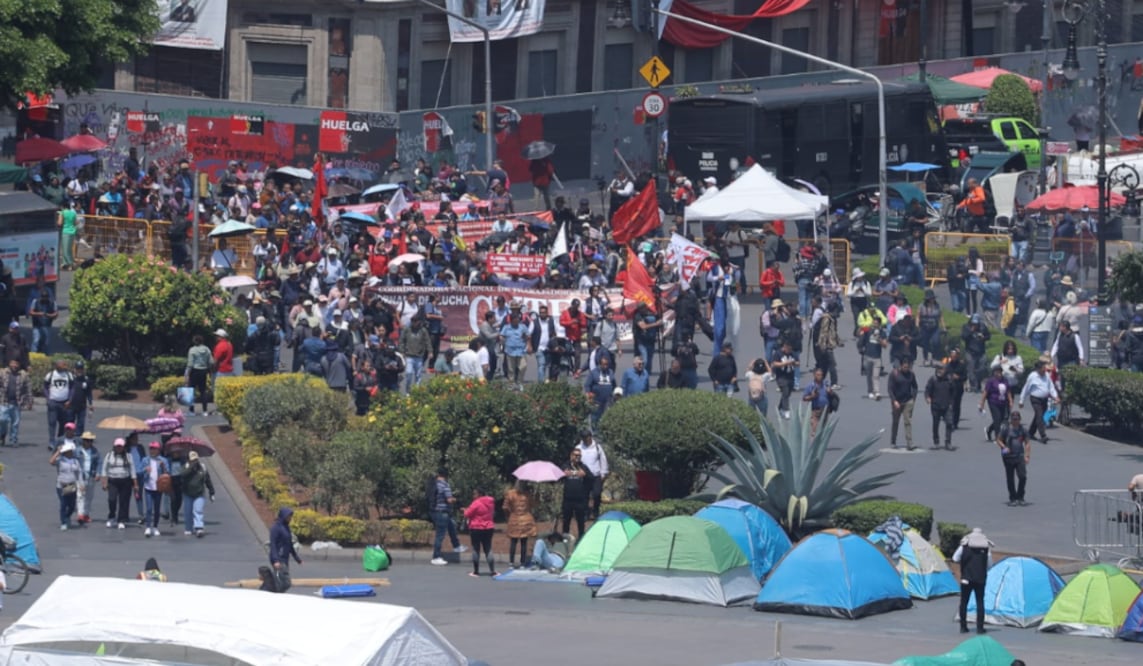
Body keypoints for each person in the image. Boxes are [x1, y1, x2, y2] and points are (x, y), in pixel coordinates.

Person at [953, 527, 993, 634]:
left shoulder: (965, 544)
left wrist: (965, 564)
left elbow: (955, 558)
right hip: (980, 579)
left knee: (964, 602)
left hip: (966, 578)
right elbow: (990, 565)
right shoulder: (986, 547)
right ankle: (980, 628)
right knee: (980, 602)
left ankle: (963, 626)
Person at [428, 468, 466, 566]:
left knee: (451, 526)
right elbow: (449, 499)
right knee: (440, 535)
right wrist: (456, 500)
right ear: (446, 475)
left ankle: (456, 546)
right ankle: (436, 557)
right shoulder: (445, 484)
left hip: (435, 511)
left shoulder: (434, 483)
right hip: (442, 512)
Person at [996, 411, 1031, 506]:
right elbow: (998, 440)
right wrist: (1004, 447)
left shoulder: (1023, 430)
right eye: (1014, 419)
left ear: (1020, 420)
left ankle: (1020, 496)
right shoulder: (1005, 429)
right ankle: (1012, 497)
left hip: (1019, 456)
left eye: (1017, 419)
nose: (1015, 421)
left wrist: (1027, 456)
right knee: (1010, 478)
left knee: (1022, 476)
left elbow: (1027, 443)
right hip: (1008, 457)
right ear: (1011, 420)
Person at [1018, 360, 1058, 444]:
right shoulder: (1032, 376)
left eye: (1045, 368)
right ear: (1038, 369)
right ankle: (1043, 435)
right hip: (1035, 399)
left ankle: (1030, 433)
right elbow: (1026, 388)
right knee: (1040, 416)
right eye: (1043, 368)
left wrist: (1055, 396)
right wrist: (1021, 400)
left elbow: (1051, 387)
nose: (1044, 370)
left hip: (1044, 399)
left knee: (1038, 416)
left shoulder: (1046, 375)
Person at [463, 489, 497, 578]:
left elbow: (467, 514)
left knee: (475, 549)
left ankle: (476, 571)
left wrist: (465, 510)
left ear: (480, 494)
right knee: (488, 548)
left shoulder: (476, 503)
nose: (473, 496)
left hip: (476, 528)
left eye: (475, 494)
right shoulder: (491, 502)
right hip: (489, 527)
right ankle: (492, 571)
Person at [503, 481, 536, 569]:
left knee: (513, 542)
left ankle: (511, 562)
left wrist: (510, 514)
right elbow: (533, 505)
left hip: (514, 518)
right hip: (526, 519)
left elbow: (505, 507)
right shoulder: (528, 494)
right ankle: (522, 562)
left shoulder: (510, 493)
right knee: (523, 542)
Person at [560, 448, 593, 539]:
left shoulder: (584, 467)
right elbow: (558, 477)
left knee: (581, 522)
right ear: (571, 456)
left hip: (580, 500)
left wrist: (585, 475)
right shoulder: (565, 466)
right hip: (568, 499)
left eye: (579, 455)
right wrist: (563, 474)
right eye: (575, 455)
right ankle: (565, 541)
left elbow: (592, 478)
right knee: (566, 521)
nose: (577, 457)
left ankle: (581, 540)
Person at [575, 431, 608, 520]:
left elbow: (603, 460)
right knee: (584, 496)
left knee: (597, 494)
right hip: (584, 476)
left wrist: (603, 472)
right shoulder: (578, 448)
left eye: (588, 438)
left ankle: (595, 511)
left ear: (590, 437)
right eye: (584, 438)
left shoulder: (597, 447)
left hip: (596, 475)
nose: (586, 440)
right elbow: (574, 461)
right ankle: (586, 513)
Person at [49, 441, 82, 530]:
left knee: (71, 505)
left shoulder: (75, 461)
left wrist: (81, 484)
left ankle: (67, 516)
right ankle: (63, 522)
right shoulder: (60, 460)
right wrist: (58, 452)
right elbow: (51, 461)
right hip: (62, 485)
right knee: (64, 504)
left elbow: (79, 473)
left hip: (71, 485)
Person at [181, 450, 214, 537]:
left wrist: (212, 492)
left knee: (198, 510)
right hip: (188, 493)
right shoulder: (186, 466)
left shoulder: (202, 467)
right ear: (189, 460)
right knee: (188, 511)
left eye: (196, 460)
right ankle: (188, 528)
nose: (195, 462)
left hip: (199, 493)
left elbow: (208, 480)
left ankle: (199, 528)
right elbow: (182, 475)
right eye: (193, 460)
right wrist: (191, 468)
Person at [140, 441, 170, 538]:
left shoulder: (163, 460)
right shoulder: (145, 460)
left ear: (158, 450)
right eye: (151, 448)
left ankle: (155, 526)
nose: (152, 451)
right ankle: (148, 527)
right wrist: (145, 469)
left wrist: (163, 466)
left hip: (158, 487)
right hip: (148, 486)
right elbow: (139, 470)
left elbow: (167, 473)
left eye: (154, 449)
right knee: (149, 508)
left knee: (157, 509)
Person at [0, 358, 32, 447]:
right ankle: (2, 435)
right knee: (2, 420)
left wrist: (30, 402)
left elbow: (28, 389)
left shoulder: (23, 375)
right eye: (12, 363)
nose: (14, 365)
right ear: (9, 364)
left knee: (15, 423)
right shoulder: (2, 373)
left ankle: (14, 439)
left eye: (16, 364)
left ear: (19, 365)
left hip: (17, 402)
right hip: (4, 401)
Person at [268, 507, 302, 590]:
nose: (290, 518)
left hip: (285, 558)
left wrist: (297, 558)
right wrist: (276, 560)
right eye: (288, 516)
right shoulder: (276, 528)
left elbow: (289, 544)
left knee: (281, 582)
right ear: (283, 516)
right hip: (278, 559)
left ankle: (274, 593)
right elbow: (273, 544)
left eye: (290, 516)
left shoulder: (286, 527)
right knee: (285, 582)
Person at [888, 358, 918, 450]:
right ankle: (893, 441)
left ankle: (909, 443)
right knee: (895, 422)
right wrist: (894, 401)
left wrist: (913, 399)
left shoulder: (911, 374)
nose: (906, 368)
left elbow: (915, 387)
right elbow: (890, 389)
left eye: (908, 367)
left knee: (907, 421)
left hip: (908, 401)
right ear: (901, 366)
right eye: (905, 367)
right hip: (897, 401)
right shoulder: (894, 374)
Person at [925, 364, 957, 450]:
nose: (940, 371)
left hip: (947, 405)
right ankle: (936, 441)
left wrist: (951, 403)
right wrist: (928, 397)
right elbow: (927, 390)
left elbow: (953, 392)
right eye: (939, 369)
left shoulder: (949, 380)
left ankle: (948, 442)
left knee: (949, 423)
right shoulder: (933, 379)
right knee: (936, 424)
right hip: (936, 406)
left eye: (942, 369)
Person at [43, 359, 73, 451]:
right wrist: (48, 399)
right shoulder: (50, 375)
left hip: (64, 403)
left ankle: (60, 441)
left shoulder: (69, 375)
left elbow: (72, 387)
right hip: (53, 402)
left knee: (63, 424)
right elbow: (45, 387)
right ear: (57, 365)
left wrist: (70, 400)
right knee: (52, 423)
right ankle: (51, 442)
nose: (65, 366)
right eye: (63, 364)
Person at [979, 366, 1013, 443]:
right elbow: (985, 392)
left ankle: (989, 430)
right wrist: (982, 403)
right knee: (997, 419)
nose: (999, 374)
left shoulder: (1005, 380)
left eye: (1000, 372)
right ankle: (998, 437)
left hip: (1003, 402)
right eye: (997, 372)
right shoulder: (991, 381)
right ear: (994, 373)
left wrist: (1010, 401)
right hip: (993, 402)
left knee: (1002, 420)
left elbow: (1008, 391)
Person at [75, 431, 100, 525]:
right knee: (80, 495)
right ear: (83, 441)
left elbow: (99, 462)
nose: (89, 442)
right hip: (81, 476)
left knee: (89, 496)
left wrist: (98, 473)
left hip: (91, 475)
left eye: (91, 441)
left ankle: (86, 514)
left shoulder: (95, 451)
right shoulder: (77, 451)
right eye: (87, 440)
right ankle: (80, 514)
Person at [184, 335, 212, 416]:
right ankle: (205, 410)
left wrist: (187, 374)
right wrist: (209, 370)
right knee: (203, 391)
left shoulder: (192, 350)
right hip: (203, 371)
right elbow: (211, 361)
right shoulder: (207, 349)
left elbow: (190, 364)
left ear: (195, 341)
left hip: (194, 371)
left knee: (191, 390)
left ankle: (191, 410)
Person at [770, 341, 799, 419]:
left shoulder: (793, 353)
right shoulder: (778, 353)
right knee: (785, 391)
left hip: (790, 376)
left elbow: (798, 363)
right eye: (788, 349)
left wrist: (794, 363)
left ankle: (780, 408)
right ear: (785, 347)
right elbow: (774, 364)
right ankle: (786, 410)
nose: (789, 351)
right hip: (781, 376)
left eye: (790, 349)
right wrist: (786, 363)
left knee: (787, 394)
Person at [801, 367, 832, 433]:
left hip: (825, 409)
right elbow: (804, 398)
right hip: (815, 410)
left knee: (824, 428)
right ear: (814, 375)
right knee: (814, 429)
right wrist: (812, 396)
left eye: (821, 375)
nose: (820, 377)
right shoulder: (810, 386)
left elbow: (831, 394)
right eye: (818, 375)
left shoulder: (825, 384)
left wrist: (830, 392)